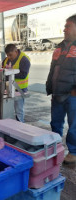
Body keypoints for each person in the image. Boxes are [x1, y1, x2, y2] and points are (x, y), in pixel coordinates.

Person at [46, 14, 76, 165]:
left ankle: (74, 151)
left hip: (72, 94)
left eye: (68, 26)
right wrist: (49, 86)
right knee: (55, 123)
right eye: (65, 26)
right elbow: (53, 69)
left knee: (74, 125)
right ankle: (55, 148)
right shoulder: (59, 47)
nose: (64, 29)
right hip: (57, 92)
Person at [2, 44, 30, 123]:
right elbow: (2, 70)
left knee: (19, 112)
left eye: (10, 55)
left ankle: (20, 127)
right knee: (8, 111)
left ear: (16, 51)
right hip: (8, 90)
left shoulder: (24, 60)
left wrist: (10, 74)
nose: (9, 57)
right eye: (7, 55)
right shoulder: (6, 60)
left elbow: (23, 75)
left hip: (19, 90)